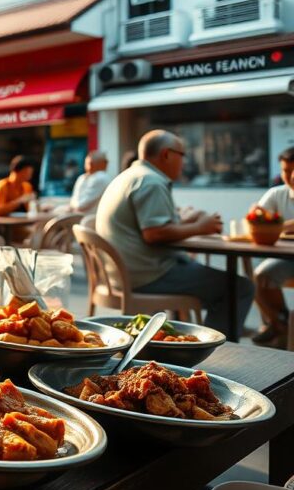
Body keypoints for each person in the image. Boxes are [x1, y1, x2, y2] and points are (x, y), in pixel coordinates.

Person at [96, 130, 253, 338]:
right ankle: (216, 352)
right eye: (182, 155)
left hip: (123, 273)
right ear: (166, 154)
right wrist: (200, 227)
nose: (184, 162)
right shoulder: (151, 181)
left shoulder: (129, 176)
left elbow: (153, 225)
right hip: (146, 275)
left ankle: (200, 338)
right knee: (239, 288)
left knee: (209, 277)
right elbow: (154, 233)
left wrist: (188, 221)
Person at [248, 147, 294, 346]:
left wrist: (277, 225)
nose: (290, 176)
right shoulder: (277, 194)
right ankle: (281, 326)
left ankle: (278, 329)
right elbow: (256, 220)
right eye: (285, 170)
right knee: (258, 275)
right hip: (286, 258)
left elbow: (271, 225)